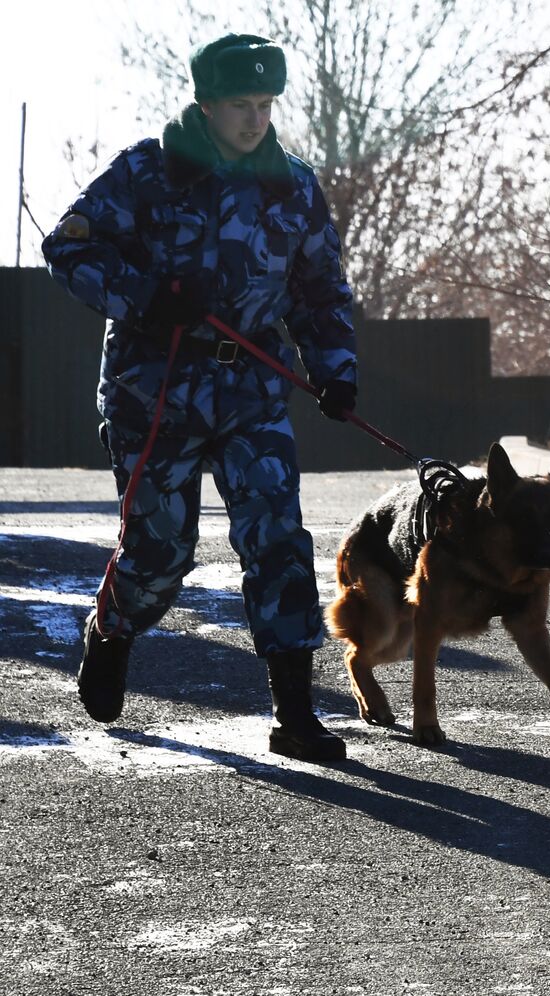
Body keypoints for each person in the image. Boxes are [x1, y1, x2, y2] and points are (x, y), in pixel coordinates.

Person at [42, 33, 357, 763]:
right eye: (240, 105)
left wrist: (336, 371)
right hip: (155, 392)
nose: (255, 119)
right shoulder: (148, 173)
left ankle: (296, 714)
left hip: (251, 391)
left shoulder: (293, 185)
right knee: (160, 555)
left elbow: (321, 292)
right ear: (207, 103)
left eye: (265, 104)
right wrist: (148, 296)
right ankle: (113, 630)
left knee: (278, 541)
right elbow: (68, 247)